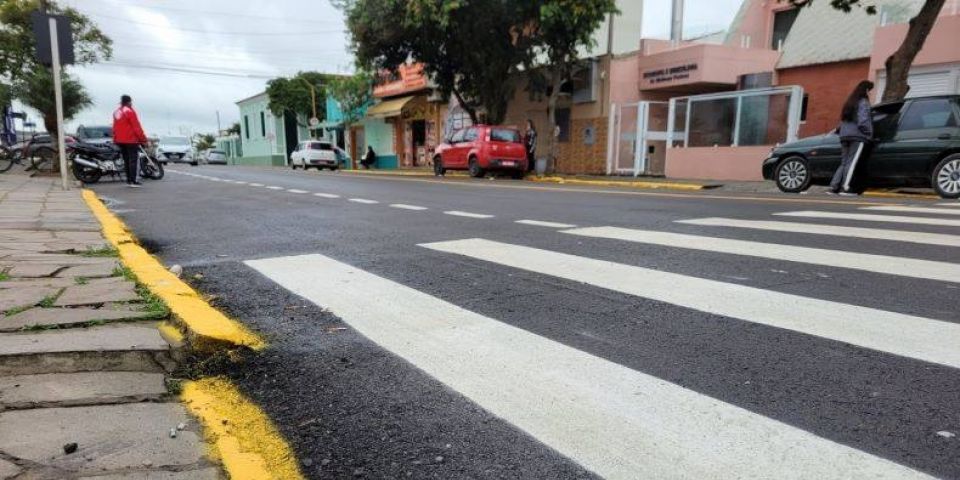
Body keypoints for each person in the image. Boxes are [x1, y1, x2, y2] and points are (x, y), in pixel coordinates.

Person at [829, 81, 874, 196]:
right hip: (857, 136)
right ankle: (846, 188)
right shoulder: (863, 102)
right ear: (867, 90)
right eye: (871, 91)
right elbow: (863, 121)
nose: (871, 94)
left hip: (844, 136)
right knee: (851, 163)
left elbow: (841, 123)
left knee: (844, 163)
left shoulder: (850, 102)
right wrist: (869, 133)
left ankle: (833, 187)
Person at [112, 95, 148, 188]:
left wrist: (115, 139)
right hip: (131, 140)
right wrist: (143, 139)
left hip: (120, 140)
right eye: (131, 102)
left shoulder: (117, 112)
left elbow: (114, 127)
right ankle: (133, 180)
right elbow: (136, 126)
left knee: (126, 160)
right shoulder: (129, 111)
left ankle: (129, 180)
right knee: (133, 160)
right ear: (129, 102)